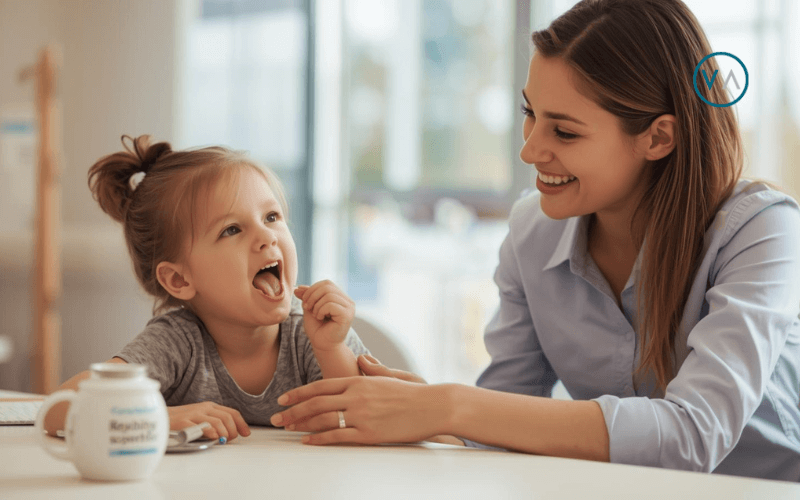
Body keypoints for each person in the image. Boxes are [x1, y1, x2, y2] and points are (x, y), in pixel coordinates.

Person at [268, 0, 800, 481]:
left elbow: (694, 435)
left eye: (564, 132)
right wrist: (426, 405)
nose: (529, 151)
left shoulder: (760, 232)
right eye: (530, 114)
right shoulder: (532, 233)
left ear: (657, 137)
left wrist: (452, 406)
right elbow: (509, 416)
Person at [44, 135, 369, 442]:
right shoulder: (177, 342)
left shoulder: (314, 334)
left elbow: (369, 417)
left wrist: (331, 350)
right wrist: (156, 417)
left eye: (271, 216)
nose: (268, 236)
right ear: (179, 280)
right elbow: (58, 410)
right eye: (231, 229)